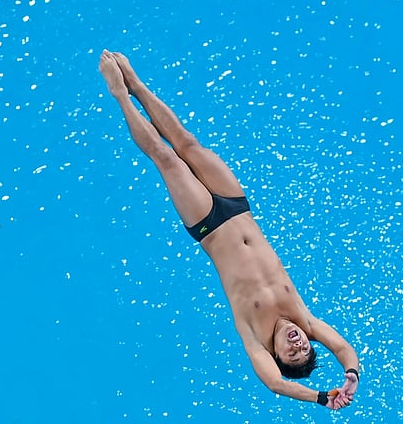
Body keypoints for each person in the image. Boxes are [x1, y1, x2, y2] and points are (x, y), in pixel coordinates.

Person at [98, 50, 359, 408]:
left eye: (292, 354)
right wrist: (350, 376)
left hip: (208, 225)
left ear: (276, 355)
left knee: (167, 158)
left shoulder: (254, 338)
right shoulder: (306, 320)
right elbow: (344, 348)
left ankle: (120, 95)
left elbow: (275, 385)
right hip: (237, 207)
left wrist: (320, 398)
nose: (298, 344)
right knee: (187, 142)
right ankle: (137, 83)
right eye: (304, 349)